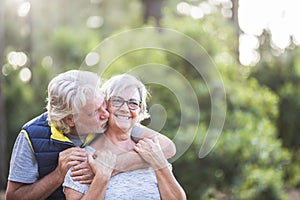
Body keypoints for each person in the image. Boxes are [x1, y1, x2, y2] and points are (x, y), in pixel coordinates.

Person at [6, 70, 176, 200]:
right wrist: (58, 175)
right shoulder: (32, 135)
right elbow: (14, 197)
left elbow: (167, 147)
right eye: (95, 111)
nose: (106, 114)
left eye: (104, 103)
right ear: (70, 119)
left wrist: (114, 164)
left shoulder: (111, 123)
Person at [63, 74, 186, 200]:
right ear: (105, 106)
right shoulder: (83, 160)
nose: (125, 108)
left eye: (133, 103)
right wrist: (102, 177)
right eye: (117, 101)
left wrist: (159, 162)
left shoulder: (151, 150)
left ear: (140, 110)